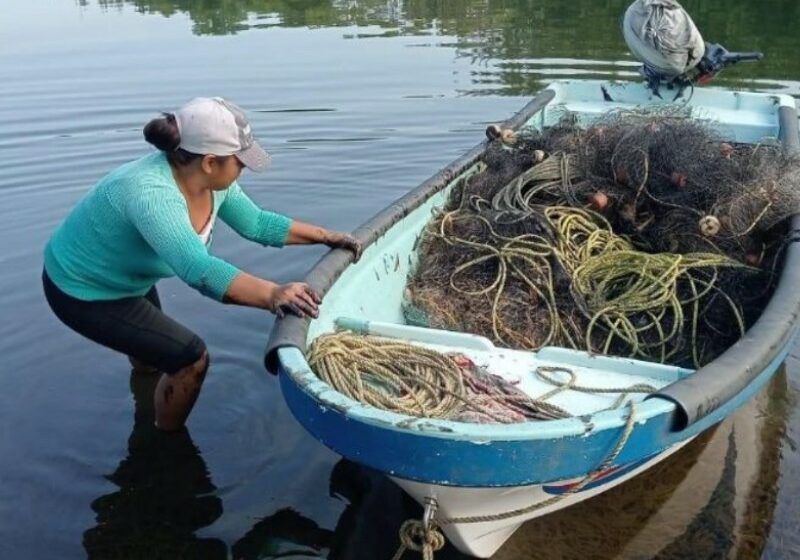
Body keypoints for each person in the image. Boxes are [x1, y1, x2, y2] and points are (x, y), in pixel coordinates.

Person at [43, 97, 361, 432]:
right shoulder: (152, 196)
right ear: (210, 162)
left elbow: (258, 224)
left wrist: (327, 236)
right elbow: (200, 271)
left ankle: (145, 404)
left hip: (127, 277)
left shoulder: (211, 182)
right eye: (239, 162)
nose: (243, 170)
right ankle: (164, 446)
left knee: (152, 362)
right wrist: (274, 294)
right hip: (82, 290)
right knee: (189, 360)